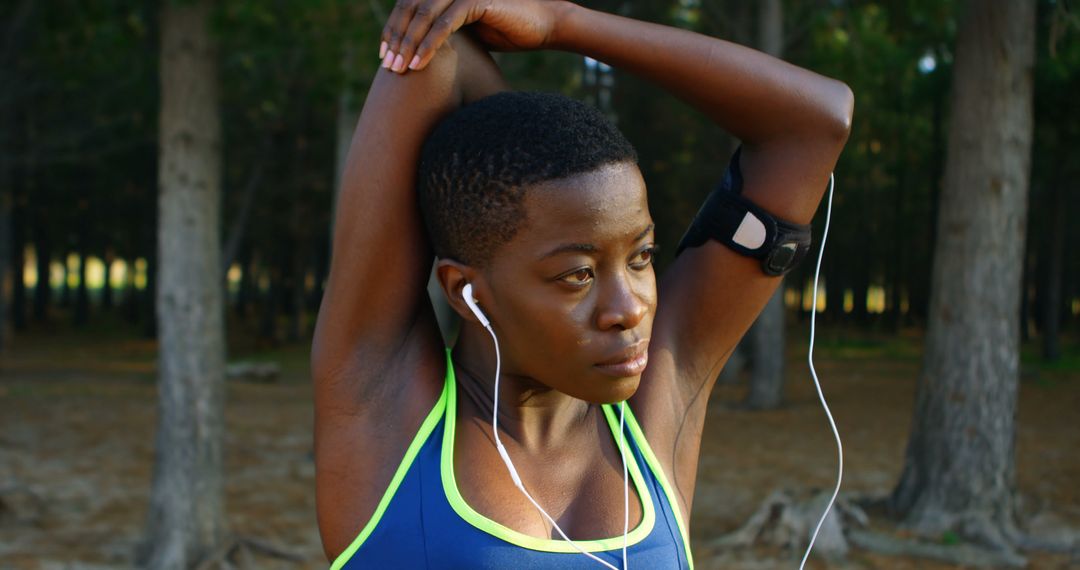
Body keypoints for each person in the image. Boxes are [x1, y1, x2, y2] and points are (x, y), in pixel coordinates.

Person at [311, 1, 852, 568]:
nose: (630, 309)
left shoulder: (656, 403)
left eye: (641, 257)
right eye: (577, 275)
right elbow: (439, 49)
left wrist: (562, 22)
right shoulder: (385, 407)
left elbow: (816, 123)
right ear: (464, 291)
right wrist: (513, 182)